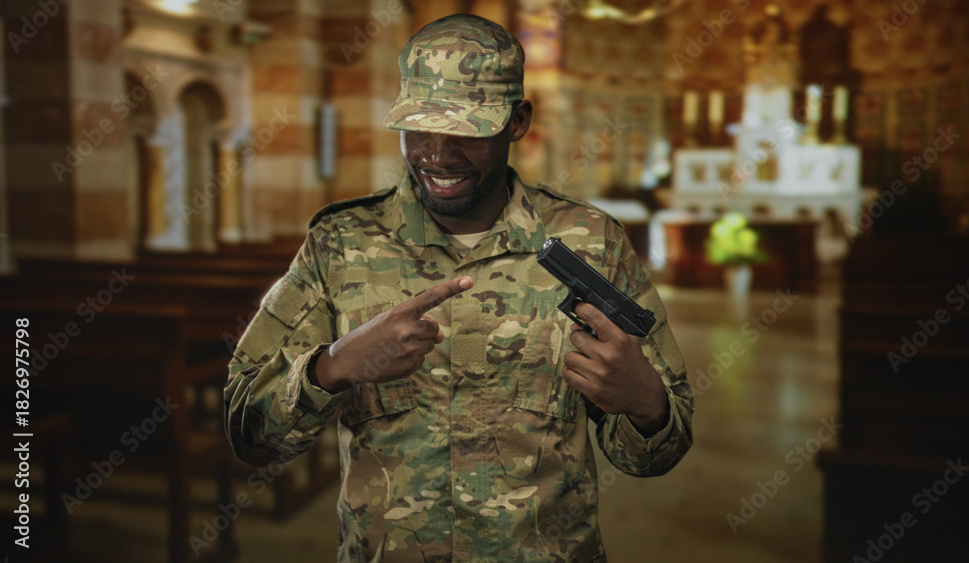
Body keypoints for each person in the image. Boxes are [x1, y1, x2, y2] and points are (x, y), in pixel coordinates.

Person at [224, 13, 693, 561]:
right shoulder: (341, 245)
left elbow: (658, 454)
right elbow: (248, 434)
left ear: (517, 122)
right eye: (418, 127)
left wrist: (644, 402)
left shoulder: (590, 242)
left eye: (466, 131)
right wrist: (335, 367)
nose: (437, 155)